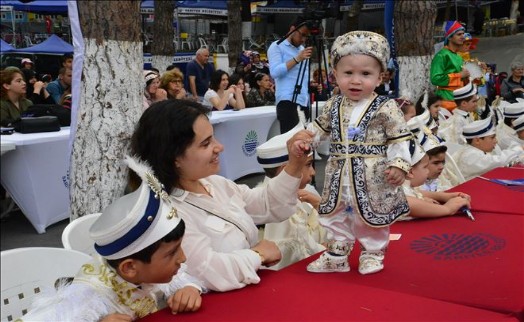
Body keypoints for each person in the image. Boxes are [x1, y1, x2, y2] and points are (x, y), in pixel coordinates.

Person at [129, 99, 314, 291]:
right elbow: (209, 271)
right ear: (174, 157)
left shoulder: (214, 183)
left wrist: (294, 164)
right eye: (206, 143)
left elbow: (267, 204)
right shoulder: (166, 211)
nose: (219, 147)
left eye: (213, 138)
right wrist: (258, 255)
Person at [19, 157, 204, 321]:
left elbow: (178, 276)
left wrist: (188, 287)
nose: (183, 258)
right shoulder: (85, 297)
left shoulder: (141, 266)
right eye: (172, 253)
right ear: (129, 267)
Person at [306, 31, 412, 275]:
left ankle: (373, 253)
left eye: (365, 74)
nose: (355, 80)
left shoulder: (386, 106)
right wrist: (306, 141)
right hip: (338, 172)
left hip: (373, 175)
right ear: (335, 76)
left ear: (379, 78)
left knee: (370, 214)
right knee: (336, 212)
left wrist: (399, 164)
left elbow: (399, 139)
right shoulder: (333, 104)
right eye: (348, 73)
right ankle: (337, 254)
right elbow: (318, 130)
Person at [256, 125, 326, 270]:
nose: (313, 172)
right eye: (308, 165)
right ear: (286, 169)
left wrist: (321, 206)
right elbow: (291, 257)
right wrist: (328, 248)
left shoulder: (306, 193)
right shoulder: (275, 207)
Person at [401, 137, 471, 220]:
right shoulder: (394, 192)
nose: (427, 171)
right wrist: (447, 209)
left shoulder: (404, 185)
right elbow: (405, 202)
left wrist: (443, 196)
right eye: (425, 167)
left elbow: (413, 192)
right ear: (410, 172)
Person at [268, 16, 313, 133]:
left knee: (304, 142)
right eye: (302, 35)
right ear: (292, 29)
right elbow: (274, 72)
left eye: (306, 36)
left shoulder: (302, 49)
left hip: (303, 100)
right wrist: (297, 58)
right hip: (287, 100)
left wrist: (312, 86)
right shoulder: (277, 46)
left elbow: (302, 77)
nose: (303, 39)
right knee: (290, 143)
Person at [453, 116, 524, 180]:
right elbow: (498, 161)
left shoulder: (474, 149)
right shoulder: (471, 155)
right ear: (477, 140)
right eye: (492, 138)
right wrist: (519, 149)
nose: (496, 141)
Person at [430, 21, 470, 111]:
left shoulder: (458, 56)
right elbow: (435, 79)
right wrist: (460, 75)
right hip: (446, 102)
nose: (463, 37)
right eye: (459, 34)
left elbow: (461, 77)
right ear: (450, 37)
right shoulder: (441, 55)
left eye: (463, 34)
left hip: (459, 100)